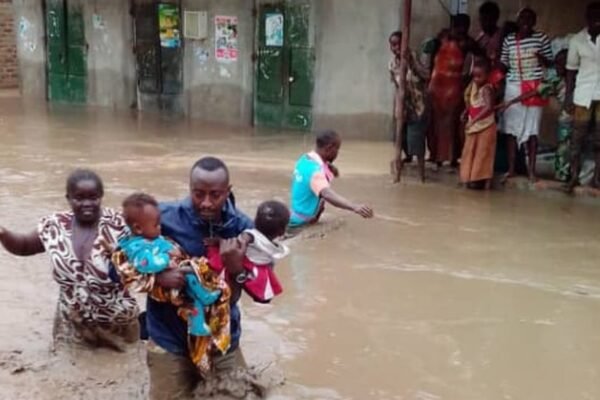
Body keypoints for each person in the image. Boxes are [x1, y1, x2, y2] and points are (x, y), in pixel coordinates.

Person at [142, 157, 261, 399]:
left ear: (228, 191)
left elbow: (254, 294)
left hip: (221, 338)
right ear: (189, 189)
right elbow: (116, 266)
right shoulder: (161, 219)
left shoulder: (243, 229)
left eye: (215, 195)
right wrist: (157, 276)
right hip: (169, 337)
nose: (206, 203)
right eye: (198, 194)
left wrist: (236, 270)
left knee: (247, 395)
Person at [0, 169, 139, 350]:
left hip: (117, 321)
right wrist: (3, 233)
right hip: (72, 321)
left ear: (102, 196)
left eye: (93, 197)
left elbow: (145, 264)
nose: (87, 203)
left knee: (125, 366)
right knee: (67, 366)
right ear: (68, 198)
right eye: (79, 198)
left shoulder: (121, 226)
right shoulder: (54, 225)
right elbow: (24, 246)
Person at [500, 7, 553, 183]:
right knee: (510, 130)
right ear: (518, 20)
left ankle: (531, 171)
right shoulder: (509, 40)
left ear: (534, 22)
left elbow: (550, 63)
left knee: (532, 131)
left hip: (535, 86)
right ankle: (511, 169)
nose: (526, 22)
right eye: (523, 19)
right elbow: (504, 64)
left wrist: (541, 58)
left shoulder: (541, 39)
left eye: (530, 19)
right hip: (513, 86)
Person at [501, 49, 571, 182]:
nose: (558, 67)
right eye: (557, 64)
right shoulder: (554, 78)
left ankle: (571, 175)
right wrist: (511, 101)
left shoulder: (581, 77)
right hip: (567, 116)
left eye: (561, 64)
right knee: (564, 146)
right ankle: (564, 176)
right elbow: (534, 92)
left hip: (578, 114)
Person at [207, 200, 290, 303]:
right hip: (252, 266)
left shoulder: (251, 235)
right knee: (262, 289)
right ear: (282, 231)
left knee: (214, 263)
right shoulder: (265, 242)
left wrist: (220, 241)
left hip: (244, 264)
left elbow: (238, 243)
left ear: (254, 221)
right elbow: (270, 259)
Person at [289, 130, 374, 227]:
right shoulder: (315, 171)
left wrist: (331, 169)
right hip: (301, 224)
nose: (338, 153)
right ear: (329, 148)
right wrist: (354, 207)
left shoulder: (305, 159)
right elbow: (327, 194)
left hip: (297, 216)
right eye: (337, 149)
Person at [429, 14, 482, 168]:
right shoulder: (442, 37)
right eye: (458, 26)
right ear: (452, 26)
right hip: (437, 85)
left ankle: (452, 157)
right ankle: (436, 156)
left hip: (454, 87)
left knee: (453, 123)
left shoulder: (467, 42)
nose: (461, 30)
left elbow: (480, 53)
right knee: (435, 123)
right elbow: (432, 54)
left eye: (464, 27)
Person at [565, 1, 600, 190]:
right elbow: (571, 70)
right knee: (577, 139)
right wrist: (568, 96)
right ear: (587, 18)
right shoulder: (577, 40)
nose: (597, 19)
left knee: (599, 140)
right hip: (583, 95)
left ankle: (597, 178)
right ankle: (573, 176)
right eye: (593, 16)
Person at [389, 31, 431, 183]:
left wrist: (411, 64)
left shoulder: (415, 57)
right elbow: (396, 85)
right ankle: (399, 172)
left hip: (417, 105)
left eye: (398, 44)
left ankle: (422, 176)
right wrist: (398, 106)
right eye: (393, 45)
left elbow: (426, 76)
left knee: (417, 141)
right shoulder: (392, 63)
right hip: (403, 106)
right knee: (400, 138)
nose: (396, 48)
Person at [460, 59, 498, 189]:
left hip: (485, 125)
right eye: (474, 76)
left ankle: (484, 182)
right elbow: (472, 103)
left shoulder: (487, 89)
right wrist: (466, 112)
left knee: (484, 154)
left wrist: (474, 120)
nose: (476, 79)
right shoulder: (474, 86)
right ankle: (468, 179)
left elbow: (488, 107)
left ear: (487, 75)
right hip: (473, 123)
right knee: (469, 152)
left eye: (479, 76)